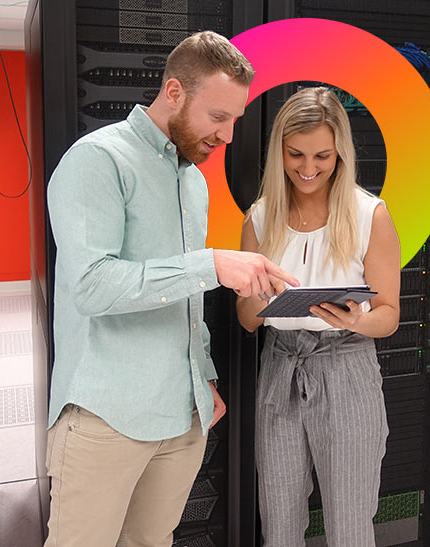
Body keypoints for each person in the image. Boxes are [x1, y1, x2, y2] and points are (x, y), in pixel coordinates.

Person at [45, 31, 299, 547]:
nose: (227, 135)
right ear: (176, 92)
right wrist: (209, 265)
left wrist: (201, 375)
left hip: (182, 414)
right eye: (218, 117)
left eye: (235, 120)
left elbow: (181, 300)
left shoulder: (193, 181)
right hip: (105, 416)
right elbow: (92, 286)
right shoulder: (98, 160)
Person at [236, 87, 402, 546]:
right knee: (280, 525)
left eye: (322, 156)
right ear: (279, 152)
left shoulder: (371, 215)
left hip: (346, 366)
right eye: (296, 155)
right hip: (281, 367)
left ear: (340, 154)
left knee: (350, 525)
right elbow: (248, 320)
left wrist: (355, 321)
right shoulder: (260, 217)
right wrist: (257, 293)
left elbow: (388, 315)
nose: (308, 168)